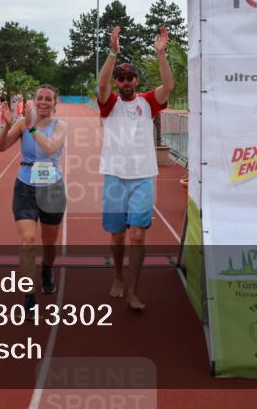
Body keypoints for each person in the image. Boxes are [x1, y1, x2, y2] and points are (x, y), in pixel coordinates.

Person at [97, 26, 174, 311]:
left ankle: (133, 290)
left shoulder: (148, 102)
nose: (126, 81)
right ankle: (118, 276)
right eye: (122, 78)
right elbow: (102, 84)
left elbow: (168, 86)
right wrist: (112, 53)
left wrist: (161, 54)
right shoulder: (110, 103)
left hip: (142, 177)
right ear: (118, 82)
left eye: (130, 77)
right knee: (117, 235)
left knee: (138, 234)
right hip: (115, 176)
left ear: (137, 80)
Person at [0, 84, 68, 319]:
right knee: (27, 242)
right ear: (34, 101)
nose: (43, 102)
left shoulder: (60, 126)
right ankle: (29, 296)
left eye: (48, 99)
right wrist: (7, 125)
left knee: (49, 244)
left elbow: (51, 149)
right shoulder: (21, 123)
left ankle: (46, 269)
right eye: (39, 98)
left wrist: (32, 128)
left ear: (55, 104)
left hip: (51, 188)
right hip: (25, 185)